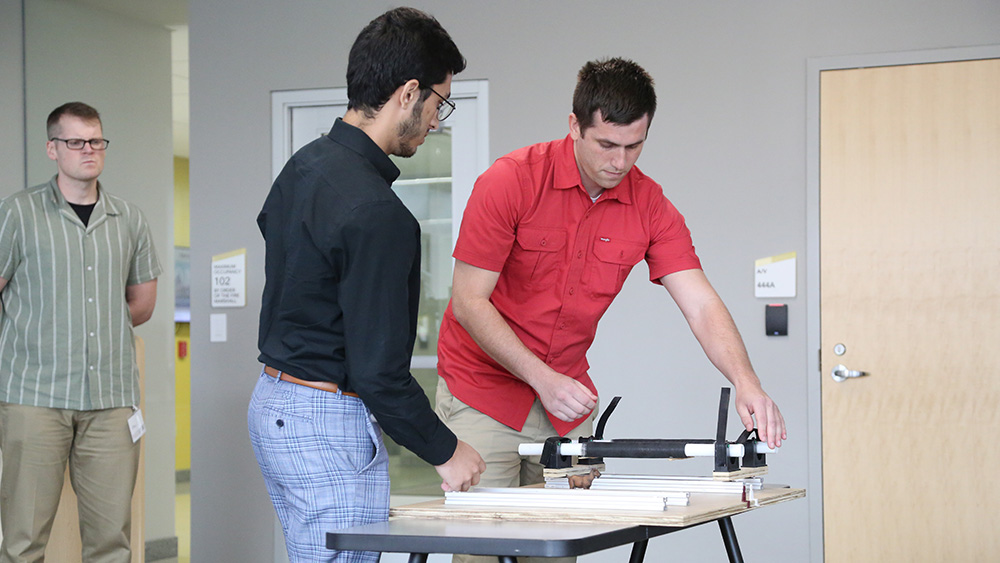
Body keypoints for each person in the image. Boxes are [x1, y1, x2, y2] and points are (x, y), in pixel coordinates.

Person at [435, 58, 787, 561]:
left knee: (558, 549)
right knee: (484, 551)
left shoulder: (650, 204)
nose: (620, 162)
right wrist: (542, 379)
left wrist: (748, 382)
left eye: (634, 146)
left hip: (566, 403)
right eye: (606, 145)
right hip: (482, 393)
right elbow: (469, 302)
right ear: (575, 125)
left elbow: (701, 304)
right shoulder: (510, 181)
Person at [249, 7, 486, 563]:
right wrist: (446, 450)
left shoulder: (302, 166)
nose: (436, 120)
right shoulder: (380, 214)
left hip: (274, 405)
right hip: (325, 421)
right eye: (438, 103)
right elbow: (379, 372)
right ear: (408, 93)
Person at [0, 101, 161, 563]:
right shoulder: (17, 213)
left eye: (95, 141)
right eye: (75, 141)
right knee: (23, 540)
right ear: (53, 149)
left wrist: (92, 323)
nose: (87, 150)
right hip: (33, 396)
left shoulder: (129, 219)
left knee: (112, 541)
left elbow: (141, 303)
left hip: (110, 400)